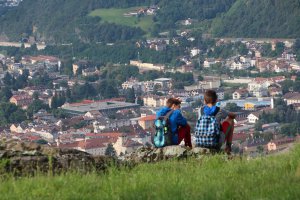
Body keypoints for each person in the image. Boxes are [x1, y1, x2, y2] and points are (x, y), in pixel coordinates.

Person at [196, 90, 236, 154]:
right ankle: (228, 147)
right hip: (215, 144)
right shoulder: (219, 110)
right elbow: (233, 116)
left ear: (204, 101)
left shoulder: (200, 110)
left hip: (200, 142)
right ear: (216, 100)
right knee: (231, 120)